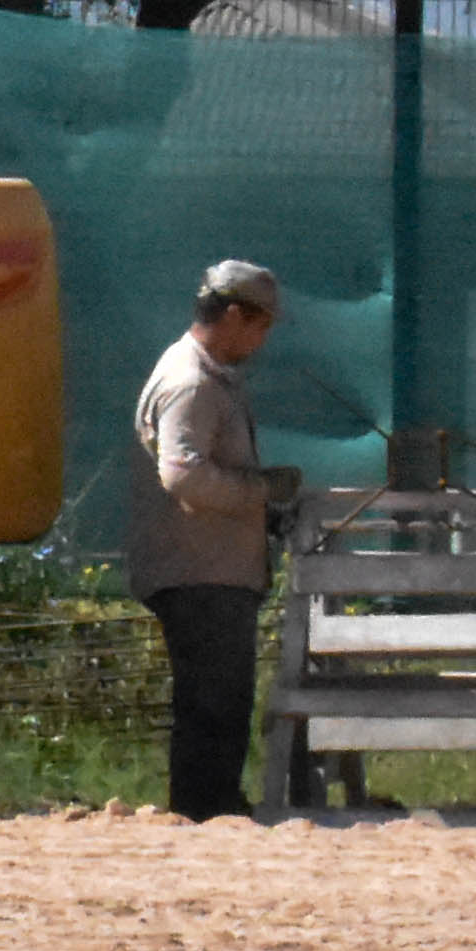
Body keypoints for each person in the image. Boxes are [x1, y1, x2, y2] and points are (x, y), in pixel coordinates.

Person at [129, 259, 302, 819]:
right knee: (213, 702)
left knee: (220, 701)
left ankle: (211, 804)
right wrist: (262, 491)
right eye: (261, 325)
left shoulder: (207, 374)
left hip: (212, 562)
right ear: (232, 315)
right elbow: (183, 476)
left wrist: (262, 517)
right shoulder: (192, 382)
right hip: (197, 569)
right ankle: (207, 810)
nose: (263, 339)